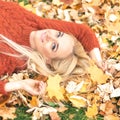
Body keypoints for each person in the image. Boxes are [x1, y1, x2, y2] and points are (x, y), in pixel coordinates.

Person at [0, 1, 104, 95]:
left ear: (47, 60)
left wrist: (19, 84)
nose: (49, 36)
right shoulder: (40, 25)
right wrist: (98, 61)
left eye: (53, 46)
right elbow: (83, 31)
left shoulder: (13, 57)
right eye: (59, 34)